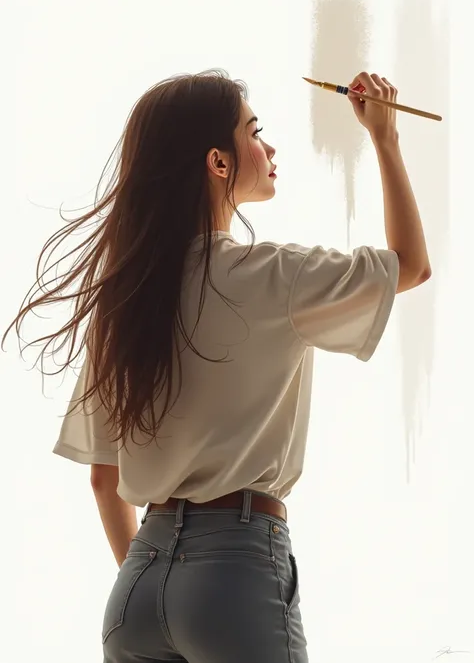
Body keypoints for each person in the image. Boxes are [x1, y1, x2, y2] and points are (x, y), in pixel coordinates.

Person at [2, 68, 431, 663]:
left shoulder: (126, 298)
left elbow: (104, 479)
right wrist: (385, 138)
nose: (271, 147)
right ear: (218, 162)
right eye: (255, 132)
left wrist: (159, 583)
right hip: (235, 576)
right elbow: (409, 265)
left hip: (136, 593)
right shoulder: (273, 275)